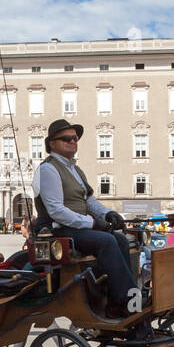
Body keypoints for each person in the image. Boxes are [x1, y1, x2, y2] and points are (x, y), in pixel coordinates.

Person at [32, 118, 138, 318]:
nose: (72, 141)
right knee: (106, 241)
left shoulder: (75, 169)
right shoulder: (48, 169)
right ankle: (128, 301)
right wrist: (91, 222)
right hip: (56, 230)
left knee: (121, 240)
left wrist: (107, 214)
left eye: (75, 138)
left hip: (76, 227)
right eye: (66, 139)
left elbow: (88, 200)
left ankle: (116, 301)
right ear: (51, 143)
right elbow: (56, 210)